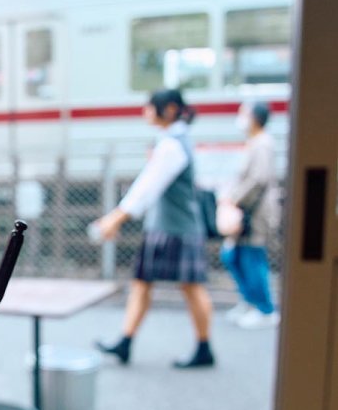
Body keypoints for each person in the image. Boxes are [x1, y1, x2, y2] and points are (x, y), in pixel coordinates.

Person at [95, 88, 214, 368]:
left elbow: (146, 188)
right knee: (142, 284)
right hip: (165, 227)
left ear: (170, 109)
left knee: (191, 288)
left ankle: (204, 346)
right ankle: (126, 341)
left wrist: (116, 217)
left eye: (150, 107)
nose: (145, 112)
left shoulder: (173, 144)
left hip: (178, 229)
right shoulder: (172, 141)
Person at [220, 101, 281, 328]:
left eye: (243, 114)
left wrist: (233, 200)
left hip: (255, 214)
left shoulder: (262, 144)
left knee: (252, 259)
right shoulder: (255, 143)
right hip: (246, 212)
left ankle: (265, 308)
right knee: (234, 257)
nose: (240, 118)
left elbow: (258, 179)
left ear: (254, 118)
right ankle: (250, 301)